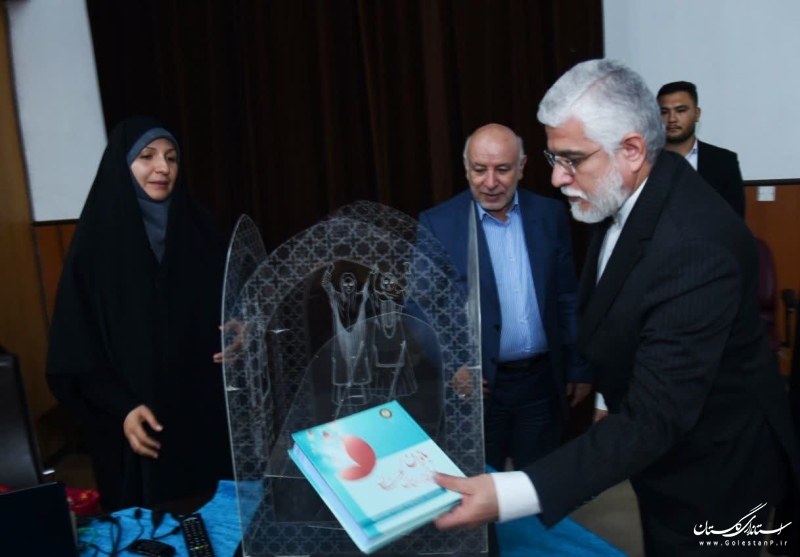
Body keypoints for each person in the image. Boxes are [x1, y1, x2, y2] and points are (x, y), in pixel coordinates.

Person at [433, 61, 799, 556]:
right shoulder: (622, 189)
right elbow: (618, 311)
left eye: (571, 159)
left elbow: (656, 415)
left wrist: (511, 492)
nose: (557, 177)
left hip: (714, 470)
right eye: (553, 157)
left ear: (631, 150)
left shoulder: (695, 246)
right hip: (661, 455)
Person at [46, 116, 232, 511]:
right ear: (122, 164)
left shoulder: (201, 227)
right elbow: (74, 350)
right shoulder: (96, 245)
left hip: (204, 419)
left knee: (215, 521)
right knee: (147, 529)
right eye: (147, 156)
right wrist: (121, 409)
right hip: (134, 427)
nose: (163, 168)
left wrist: (242, 331)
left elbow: (234, 300)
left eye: (171, 157)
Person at [419, 123, 591, 473]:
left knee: (541, 486)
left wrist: (578, 365)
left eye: (502, 169)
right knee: (482, 489)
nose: (490, 182)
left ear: (522, 167)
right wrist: (452, 364)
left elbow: (567, 296)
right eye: (479, 170)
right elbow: (420, 307)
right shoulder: (439, 224)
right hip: (478, 391)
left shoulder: (550, 214)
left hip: (542, 383)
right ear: (466, 168)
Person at [657, 80, 745, 217]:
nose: (672, 119)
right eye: (664, 112)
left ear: (697, 114)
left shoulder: (724, 162)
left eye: (681, 110)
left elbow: (735, 220)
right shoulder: (643, 162)